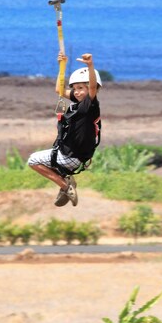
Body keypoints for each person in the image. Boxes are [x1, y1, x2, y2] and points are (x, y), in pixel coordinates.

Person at [27, 52, 102, 207]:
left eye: (81, 88)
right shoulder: (79, 101)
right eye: (74, 88)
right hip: (74, 156)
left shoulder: (90, 105)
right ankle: (65, 179)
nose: (77, 92)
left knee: (33, 161)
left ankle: (65, 186)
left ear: (90, 89)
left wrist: (90, 65)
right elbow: (59, 90)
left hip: (70, 156)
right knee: (44, 161)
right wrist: (62, 66)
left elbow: (93, 87)